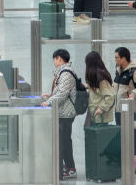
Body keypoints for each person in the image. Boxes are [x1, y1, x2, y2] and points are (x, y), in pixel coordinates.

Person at [41, 49, 77, 180]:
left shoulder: (66, 73)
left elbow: (63, 93)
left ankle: (70, 169)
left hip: (66, 113)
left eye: (55, 59)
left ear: (59, 59)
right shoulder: (63, 72)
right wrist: (50, 96)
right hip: (63, 111)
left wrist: (49, 102)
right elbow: (61, 91)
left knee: (63, 142)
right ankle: (67, 167)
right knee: (64, 141)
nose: (54, 62)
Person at [113, 47, 136, 124]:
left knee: (130, 130)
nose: (115, 60)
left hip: (130, 108)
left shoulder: (134, 72)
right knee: (119, 130)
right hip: (118, 109)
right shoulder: (118, 70)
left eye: (117, 58)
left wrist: (134, 94)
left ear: (123, 59)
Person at [84, 51, 116, 125]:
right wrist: (88, 86)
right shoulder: (95, 75)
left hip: (100, 115)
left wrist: (101, 109)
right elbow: (98, 91)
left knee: (98, 131)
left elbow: (110, 96)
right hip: (95, 113)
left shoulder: (101, 77)